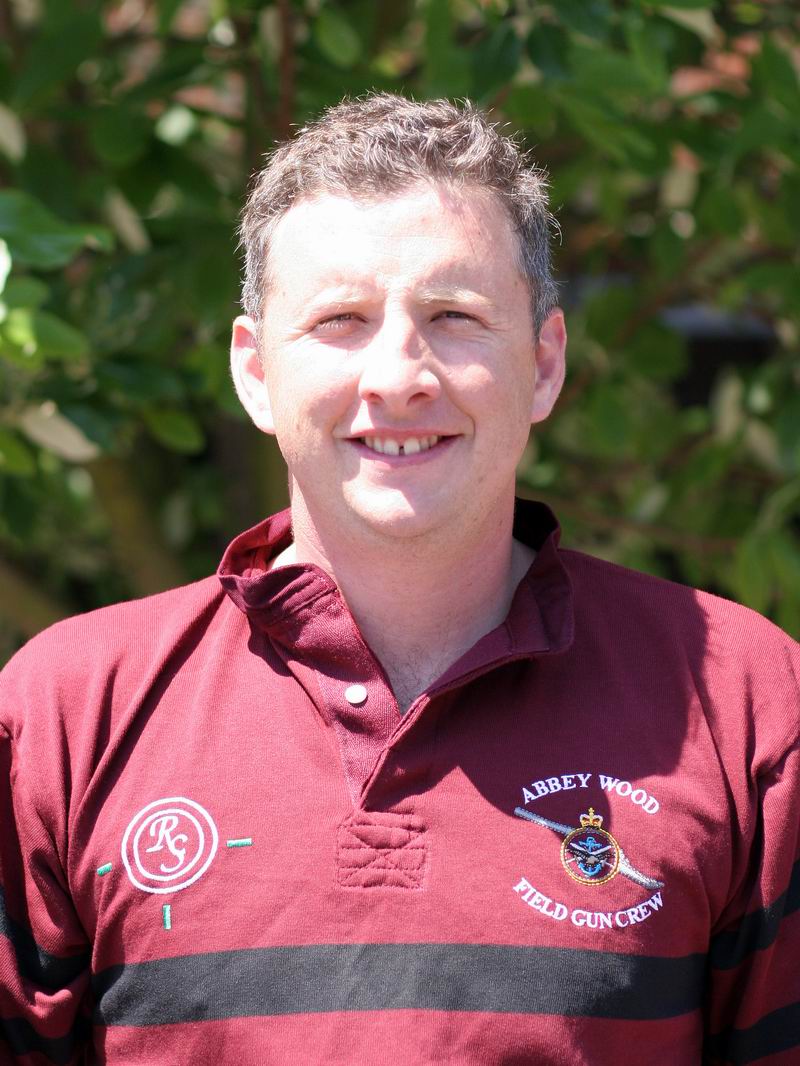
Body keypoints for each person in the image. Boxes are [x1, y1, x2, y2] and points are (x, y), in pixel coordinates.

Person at [1, 94, 798, 1066]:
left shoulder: (745, 701)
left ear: (544, 363)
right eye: (340, 319)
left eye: (453, 316)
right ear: (254, 373)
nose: (398, 375)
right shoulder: (62, 714)